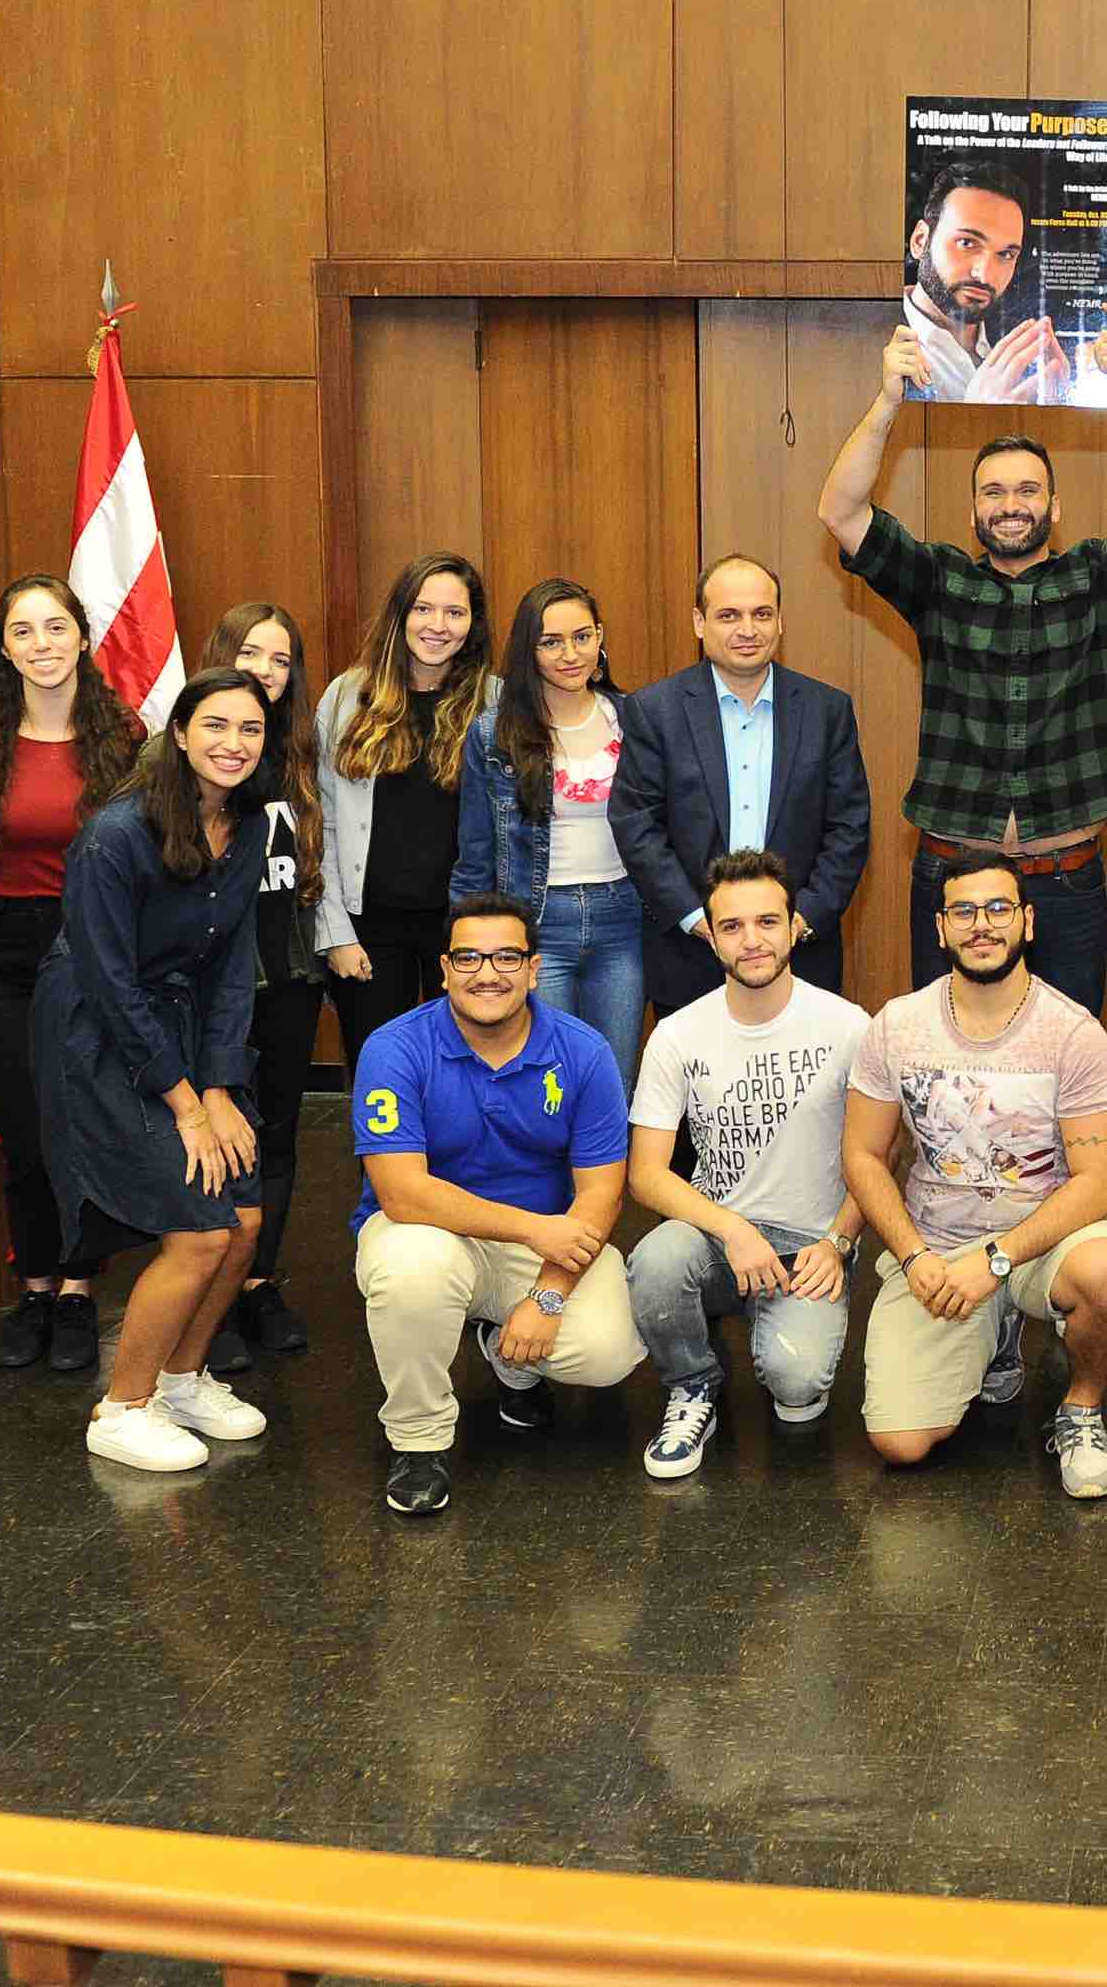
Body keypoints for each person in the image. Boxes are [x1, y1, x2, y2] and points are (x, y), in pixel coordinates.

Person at [819, 307, 1107, 1015]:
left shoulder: (1096, 579)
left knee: (1068, 1053)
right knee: (943, 1054)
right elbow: (841, 514)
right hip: (953, 878)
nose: (1011, 505)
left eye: (1028, 491)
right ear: (973, 513)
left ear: (1054, 508)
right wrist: (885, 404)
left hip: (1067, 880)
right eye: (993, 492)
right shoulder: (938, 583)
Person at [32, 670, 277, 1475]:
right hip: (99, 1032)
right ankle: (122, 1409)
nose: (233, 744)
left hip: (186, 1027)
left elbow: (233, 964)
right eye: (216, 725)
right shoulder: (116, 833)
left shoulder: (247, 824)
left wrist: (219, 1087)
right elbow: (109, 984)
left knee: (245, 1219)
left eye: (250, 729)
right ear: (179, 733)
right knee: (200, 1230)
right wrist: (184, 1104)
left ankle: (180, 1379)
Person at [842, 853, 1107, 1499]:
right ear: (940, 929)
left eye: (999, 908)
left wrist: (997, 1260)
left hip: (1043, 1242)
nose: (982, 924)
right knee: (901, 1442)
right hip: (939, 1248)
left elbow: (1100, 1183)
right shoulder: (897, 1025)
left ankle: (1081, 1409)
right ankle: (997, 1335)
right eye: (964, 911)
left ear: (1028, 922)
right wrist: (912, 1254)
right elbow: (863, 1154)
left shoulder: (1074, 1033)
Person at [348, 892, 645, 1518]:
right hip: (426, 1232)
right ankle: (419, 1440)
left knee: (606, 1352)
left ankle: (507, 1357)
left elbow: (601, 1192)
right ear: (445, 969)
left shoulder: (584, 1051)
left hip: (539, 1247)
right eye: (469, 958)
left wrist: (548, 1296)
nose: (488, 973)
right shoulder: (394, 1048)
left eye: (507, 957)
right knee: (412, 1271)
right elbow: (402, 1193)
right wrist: (535, 1230)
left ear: (534, 969)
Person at [623, 850, 870, 1478]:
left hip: (811, 1248)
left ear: (794, 927)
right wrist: (734, 1230)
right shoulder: (677, 1034)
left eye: (767, 922)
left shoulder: (848, 1027)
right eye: (732, 926)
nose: (752, 940)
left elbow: (881, 1154)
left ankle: (783, 1332)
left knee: (797, 1389)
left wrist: (839, 1242)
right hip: (718, 1237)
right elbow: (646, 1173)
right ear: (711, 936)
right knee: (655, 1263)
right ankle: (692, 1384)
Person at [0, 574, 144, 1375]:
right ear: (4, 648)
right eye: (23, 631)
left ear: (82, 637)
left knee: (81, 1123)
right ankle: (33, 1288)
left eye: (56, 627)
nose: (42, 645)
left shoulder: (122, 733)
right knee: (25, 1128)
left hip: (89, 945)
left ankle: (76, 1290)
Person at [609, 555, 871, 1027]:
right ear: (699, 622)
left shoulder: (826, 710)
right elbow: (636, 824)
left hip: (800, 954)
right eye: (729, 615)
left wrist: (800, 920)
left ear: (780, 620)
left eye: (761, 614)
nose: (747, 629)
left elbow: (849, 828)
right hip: (691, 953)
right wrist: (697, 919)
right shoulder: (655, 711)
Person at [453, 577, 644, 1087]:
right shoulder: (492, 733)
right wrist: (468, 944)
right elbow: (475, 854)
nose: (570, 654)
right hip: (535, 922)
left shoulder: (634, 718)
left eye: (582, 637)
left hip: (623, 919)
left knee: (613, 1081)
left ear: (600, 637)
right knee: (544, 1082)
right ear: (528, 650)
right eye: (551, 642)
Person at [314, 553, 497, 1063]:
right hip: (368, 932)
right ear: (400, 614)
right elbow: (321, 825)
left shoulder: (495, 703)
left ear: (473, 624)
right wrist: (335, 934)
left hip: (464, 927)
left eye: (455, 613)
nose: (438, 625)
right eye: (423, 609)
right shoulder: (346, 697)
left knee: (468, 1074)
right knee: (381, 1076)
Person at [207, 600, 328, 1364]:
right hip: (211, 983)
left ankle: (258, 1281)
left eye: (280, 659)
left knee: (277, 1132)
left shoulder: (298, 755)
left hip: (288, 975)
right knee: (216, 1136)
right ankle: (210, 1296)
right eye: (250, 653)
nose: (265, 670)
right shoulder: (197, 753)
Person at [899, 159, 1082, 406]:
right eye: (967, 243)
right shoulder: (874, 341)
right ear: (920, 241)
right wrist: (980, 414)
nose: (984, 275)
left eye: (1005, 254)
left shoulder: (1028, 353)